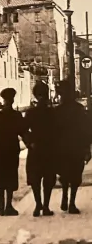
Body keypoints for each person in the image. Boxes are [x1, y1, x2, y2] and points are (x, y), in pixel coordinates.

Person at [0, 87, 28, 216]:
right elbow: (23, 132)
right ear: (12, 100)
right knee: (10, 178)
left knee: (0, 178)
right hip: (10, 151)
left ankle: (1, 206)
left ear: (3, 100)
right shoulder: (16, 116)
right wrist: (31, 143)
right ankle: (8, 206)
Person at [54, 80, 92, 214]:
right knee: (75, 175)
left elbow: (52, 132)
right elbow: (87, 130)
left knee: (64, 174)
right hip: (76, 147)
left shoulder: (56, 111)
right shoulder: (79, 110)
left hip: (62, 148)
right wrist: (87, 148)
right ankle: (71, 203)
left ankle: (65, 197)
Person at [23, 81, 57, 217]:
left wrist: (30, 143)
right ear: (37, 96)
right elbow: (24, 130)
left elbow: (24, 131)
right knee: (42, 179)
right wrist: (30, 143)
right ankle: (42, 206)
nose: (42, 97)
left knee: (39, 179)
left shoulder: (32, 112)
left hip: (38, 149)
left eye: (43, 94)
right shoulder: (51, 112)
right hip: (45, 149)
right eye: (40, 95)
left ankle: (41, 205)